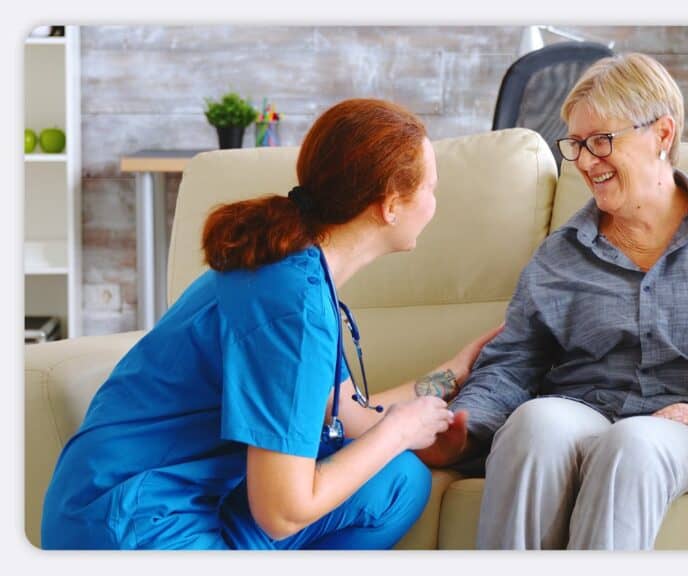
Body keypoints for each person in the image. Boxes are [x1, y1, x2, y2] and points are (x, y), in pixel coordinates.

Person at [417, 53, 688, 550]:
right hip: (586, 410)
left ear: (662, 135)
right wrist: (467, 426)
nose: (584, 161)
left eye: (601, 141)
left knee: (635, 442)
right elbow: (513, 361)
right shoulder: (560, 255)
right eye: (576, 145)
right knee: (533, 423)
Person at [40, 98, 501, 550]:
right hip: (133, 525)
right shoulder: (293, 305)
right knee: (389, 468)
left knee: (400, 481)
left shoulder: (292, 268)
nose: (435, 204)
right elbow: (282, 513)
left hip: (144, 500)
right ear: (390, 205)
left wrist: (451, 374)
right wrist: (398, 432)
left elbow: (346, 412)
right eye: (430, 189)